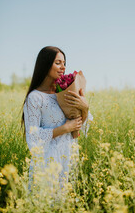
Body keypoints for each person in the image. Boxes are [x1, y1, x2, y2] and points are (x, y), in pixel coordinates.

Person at [21, 46, 92, 191]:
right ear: (45, 65)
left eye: (64, 63)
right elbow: (32, 136)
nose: (63, 67)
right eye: (58, 63)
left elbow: (80, 126)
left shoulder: (65, 93)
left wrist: (85, 108)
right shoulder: (35, 97)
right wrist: (65, 128)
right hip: (48, 160)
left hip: (68, 156)